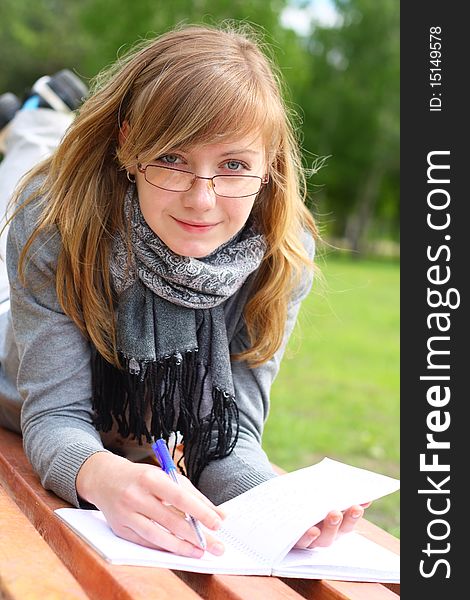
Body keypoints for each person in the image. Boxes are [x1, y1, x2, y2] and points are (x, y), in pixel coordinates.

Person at [0, 23, 368, 559]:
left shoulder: (279, 259)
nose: (202, 199)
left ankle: (38, 113)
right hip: (14, 356)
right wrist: (103, 476)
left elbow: (229, 432)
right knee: (17, 192)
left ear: (269, 164)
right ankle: (38, 115)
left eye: (234, 165)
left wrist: (272, 502)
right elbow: (55, 415)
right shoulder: (54, 221)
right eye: (172, 158)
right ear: (128, 144)